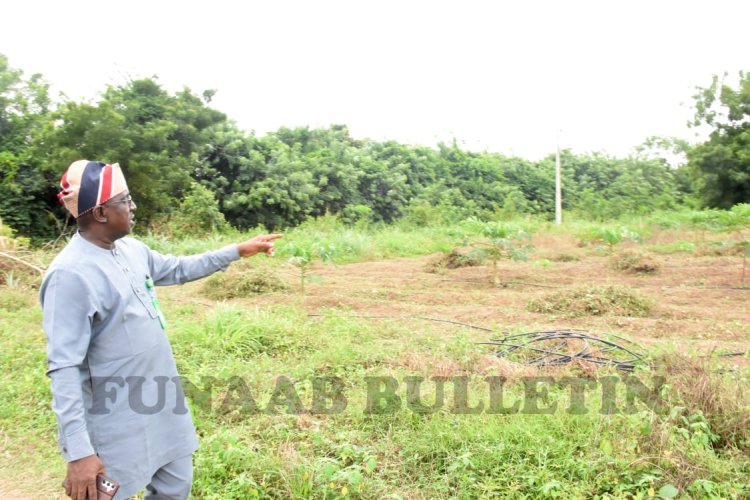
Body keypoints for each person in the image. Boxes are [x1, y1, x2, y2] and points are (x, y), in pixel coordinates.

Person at [40, 160, 282, 499]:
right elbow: (64, 367)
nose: (133, 205)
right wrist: (79, 452)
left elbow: (179, 268)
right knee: (107, 494)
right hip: (114, 424)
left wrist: (237, 251)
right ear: (100, 213)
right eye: (124, 200)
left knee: (175, 486)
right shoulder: (70, 275)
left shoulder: (132, 250)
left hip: (162, 406)